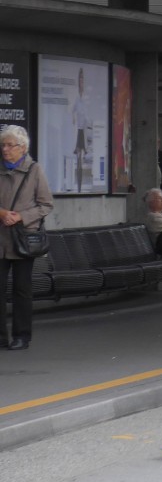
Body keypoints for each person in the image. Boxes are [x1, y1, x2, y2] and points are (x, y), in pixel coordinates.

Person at [0, 125, 54, 350]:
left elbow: (46, 205)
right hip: (0, 239)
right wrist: (3, 213)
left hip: (23, 239)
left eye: (10, 145)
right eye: (3, 145)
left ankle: (22, 336)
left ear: (22, 148)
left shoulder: (34, 171)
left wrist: (21, 216)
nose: (5, 149)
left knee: (22, 289)